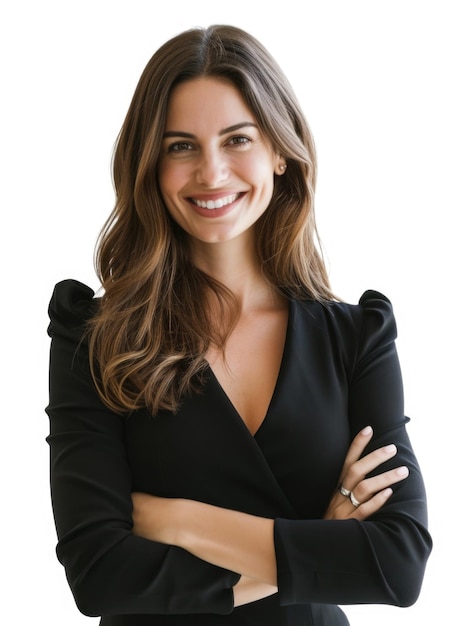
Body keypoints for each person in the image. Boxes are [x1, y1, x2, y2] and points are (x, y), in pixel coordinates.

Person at [46, 24, 432, 626]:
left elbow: (397, 565)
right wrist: (316, 545)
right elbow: (98, 574)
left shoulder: (357, 339)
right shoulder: (95, 339)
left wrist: (178, 521)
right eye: (180, 146)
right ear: (150, 164)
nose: (212, 172)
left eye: (237, 139)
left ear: (280, 150)